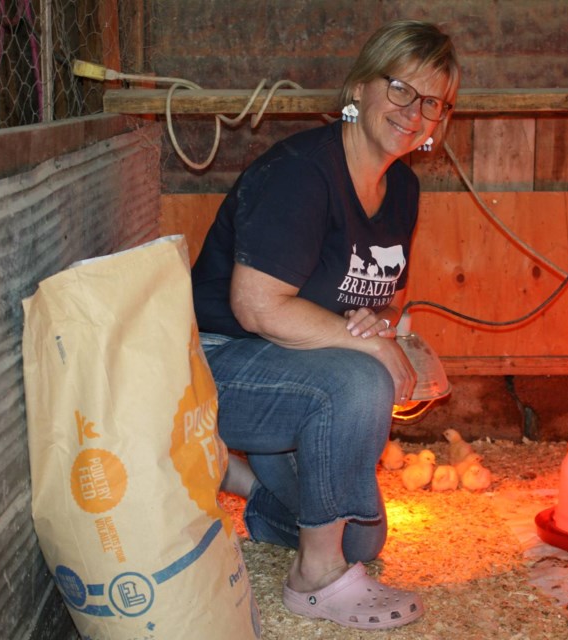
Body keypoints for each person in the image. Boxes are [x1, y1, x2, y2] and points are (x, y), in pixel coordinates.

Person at [191, 19, 460, 631]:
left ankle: (247, 486)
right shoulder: (301, 173)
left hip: (294, 375)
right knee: (361, 380)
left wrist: (377, 321)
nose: (415, 112)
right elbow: (256, 306)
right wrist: (368, 349)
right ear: (360, 88)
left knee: (362, 541)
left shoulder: (402, 190)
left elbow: (381, 293)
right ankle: (312, 581)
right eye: (400, 90)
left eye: (433, 103)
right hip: (215, 364)